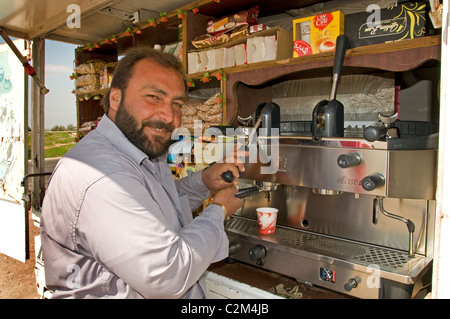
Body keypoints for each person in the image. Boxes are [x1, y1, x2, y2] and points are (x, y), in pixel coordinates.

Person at [40, 47, 245, 298]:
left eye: (177, 103)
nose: (170, 116)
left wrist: (203, 181)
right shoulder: (102, 174)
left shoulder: (140, 146)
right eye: (153, 97)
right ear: (116, 98)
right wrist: (219, 209)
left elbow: (159, 203)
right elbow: (167, 274)